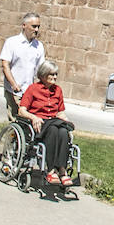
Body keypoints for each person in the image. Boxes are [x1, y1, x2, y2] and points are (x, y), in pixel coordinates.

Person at [17, 59, 75, 187]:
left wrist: (66, 119)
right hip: (40, 124)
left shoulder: (58, 90)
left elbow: (60, 112)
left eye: (56, 74)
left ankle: (62, 170)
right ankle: (51, 170)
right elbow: (21, 111)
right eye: (52, 74)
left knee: (64, 131)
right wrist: (33, 117)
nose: (55, 77)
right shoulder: (33, 89)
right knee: (54, 129)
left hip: (53, 121)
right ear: (43, 75)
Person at [0, 12, 45, 115]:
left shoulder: (39, 46)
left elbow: (41, 69)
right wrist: (14, 84)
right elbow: (5, 65)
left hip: (29, 91)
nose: (36, 30)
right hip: (14, 90)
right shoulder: (12, 42)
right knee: (15, 119)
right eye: (34, 26)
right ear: (24, 25)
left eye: (38, 27)